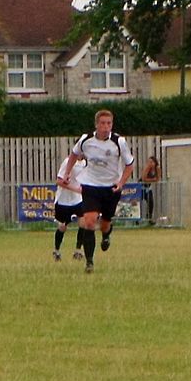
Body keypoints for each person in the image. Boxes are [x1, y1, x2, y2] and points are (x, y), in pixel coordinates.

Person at [59, 109, 136, 274]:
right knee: (89, 221)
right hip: (91, 185)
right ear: (96, 124)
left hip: (110, 187)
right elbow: (73, 155)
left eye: (109, 123)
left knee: (105, 224)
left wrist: (121, 183)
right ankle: (89, 262)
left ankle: (106, 234)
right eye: (102, 123)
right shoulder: (85, 140)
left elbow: (130, 165)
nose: (106, 127)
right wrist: (67, 173)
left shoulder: (119, 142)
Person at [52, 156, 87, 261]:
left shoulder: (85, 163)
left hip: (77, 200)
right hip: (64, 200)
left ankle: (78, 251)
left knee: (83, 223)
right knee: (62, 227)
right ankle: (56, 251)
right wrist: (75, 189)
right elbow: (59, 181)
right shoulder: (68, 162)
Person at [140, 155, 161, 224]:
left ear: (155, 162)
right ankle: (137, 219)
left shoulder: (157, 168)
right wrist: (152, 180)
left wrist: (150, 180)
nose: (150, 163)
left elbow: (157, 179)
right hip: (141, 187)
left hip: (148, 188)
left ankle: (149, 218)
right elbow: (143, 179)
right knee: (138, 203)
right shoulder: (147, 168)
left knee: (151, 202)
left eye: (151, 162)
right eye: (149, 162)